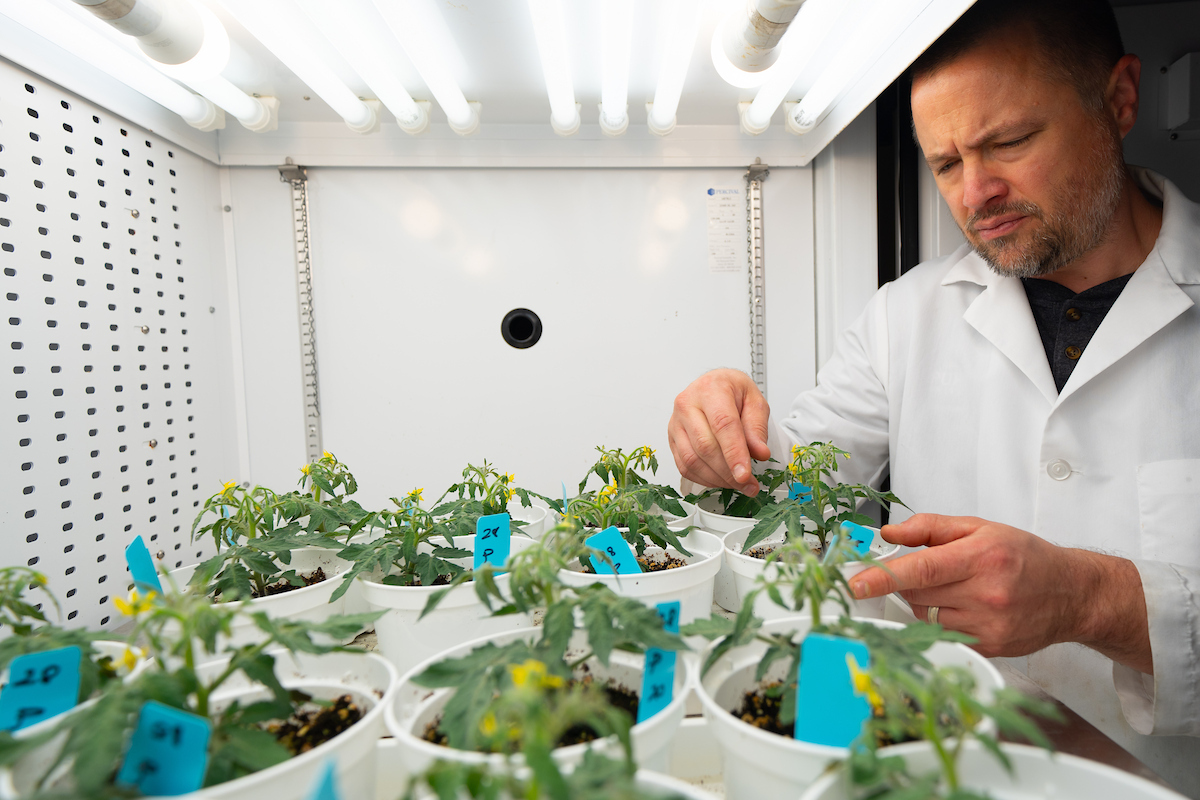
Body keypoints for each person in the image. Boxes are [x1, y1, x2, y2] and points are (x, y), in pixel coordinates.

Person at [668, 0, 1200, 792]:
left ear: (1120, 100)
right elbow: (789, 484)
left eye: (1010, 142)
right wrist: (718, 430)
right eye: (944, 163)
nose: (976, 192)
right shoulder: (903, 317)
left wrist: (1095, 599)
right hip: (929, 761)